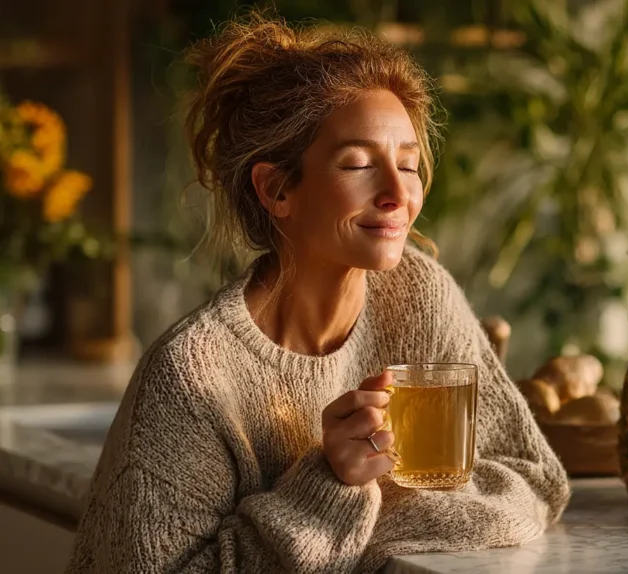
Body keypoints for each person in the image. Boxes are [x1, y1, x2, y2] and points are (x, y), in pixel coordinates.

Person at [67, 12, 570, 574]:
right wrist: (329, 487)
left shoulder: (420, 296)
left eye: (407, 164)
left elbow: (533, 478)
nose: (397, 194)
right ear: (278, 189)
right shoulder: (192, 378)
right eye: (357, 164)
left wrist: (364, 527)